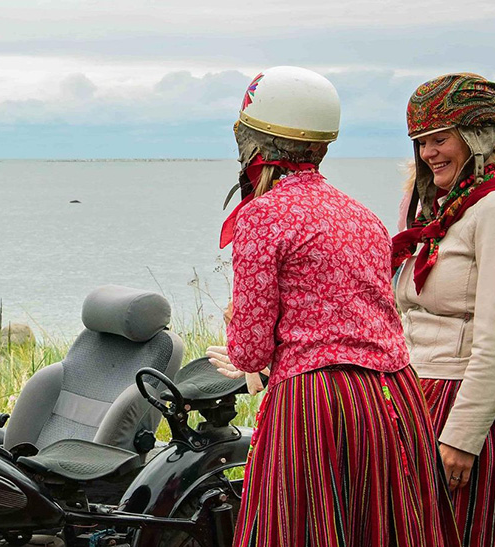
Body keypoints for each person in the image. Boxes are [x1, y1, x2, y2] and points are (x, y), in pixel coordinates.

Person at [206, 66, 460, 546]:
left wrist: (241, 342)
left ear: (256, 143)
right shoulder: (360, 213)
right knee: (379, 528)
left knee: (304, 529)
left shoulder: (262, 215)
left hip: (316, 402)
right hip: (394, 400)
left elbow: (252, 351)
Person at [392, 73, 495, 547]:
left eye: (440, 138)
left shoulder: (490, 209)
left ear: (478, 137)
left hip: (458, 404)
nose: (429, 152)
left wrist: (463, 436)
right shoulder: (439, 211)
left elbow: (492, 338)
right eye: (421, 142)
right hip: (416, 397)